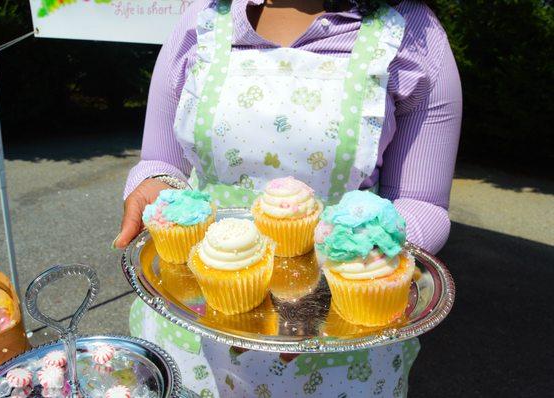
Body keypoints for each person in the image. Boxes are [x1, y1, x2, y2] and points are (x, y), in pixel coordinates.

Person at [115, 0, 462, 396]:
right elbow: (161, 161)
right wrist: (155, 186)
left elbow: (422, 203)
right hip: (192, 330)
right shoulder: (203, 16)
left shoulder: (411, 33)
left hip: (337, 351)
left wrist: (344, 273)